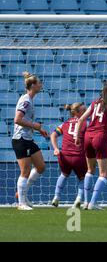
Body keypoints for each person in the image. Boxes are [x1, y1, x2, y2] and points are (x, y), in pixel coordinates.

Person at [75, 80, 107, 210]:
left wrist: (77, 137)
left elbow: (80, 119)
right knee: (104, 173)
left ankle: (85, 202)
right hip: (100, 136)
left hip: (87, 136)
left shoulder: (95, 102)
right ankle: (93, 203)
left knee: (90, 170)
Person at [12, 72, 48, 210]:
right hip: (20, 140)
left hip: (28, 139)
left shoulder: (30, 99)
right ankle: (21, 203)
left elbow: (25, 120)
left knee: (41, 167)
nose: (41, 85)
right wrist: (35, 126)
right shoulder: (26, 100)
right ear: (32, 85)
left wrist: (39, 130)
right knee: (25, 171)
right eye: (39, 83)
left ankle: (22, 194)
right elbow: (17, 119)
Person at [50, 102, 88, 208]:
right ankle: (79, 198)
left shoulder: (65, 124)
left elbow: (53, 134)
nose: (86, 112)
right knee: (82, 178)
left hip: (64, 156)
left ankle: (56, 197)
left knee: (64, 174)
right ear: (79, 113)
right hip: (79, 156)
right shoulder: (86, 123)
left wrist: (56, 149)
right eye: (84, 111)